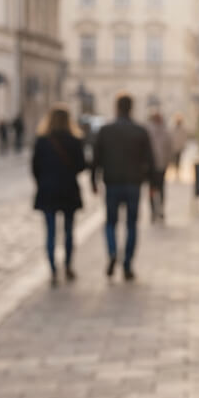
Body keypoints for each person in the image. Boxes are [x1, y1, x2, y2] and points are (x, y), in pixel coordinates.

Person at [91, 93, 153, 281]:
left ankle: (112, 252)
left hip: (112, 183)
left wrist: (93, 181)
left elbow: (96, 159)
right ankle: (127, 264)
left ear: (116, 107)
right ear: (131, 108)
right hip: (134, 184)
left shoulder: (106, 130)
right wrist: (152, 184)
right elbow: (149, 160)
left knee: (111, 223)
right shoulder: (140, 131)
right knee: (132, 225)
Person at [31, 104, 87, 286]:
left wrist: (43, 182)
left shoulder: (42, 141)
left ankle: (53, 269)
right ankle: (68, 265)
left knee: (51, 232)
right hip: (68, 190)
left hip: (48, 191)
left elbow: (35, 168)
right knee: (69, 231)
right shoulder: (74, 140)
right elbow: (81, 166)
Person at [145, 112, 173, 223]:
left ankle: (154, 210)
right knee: (160, 187)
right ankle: (159, 209)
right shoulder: (165, 131)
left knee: (153, 188)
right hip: (161, 164)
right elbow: (169, 148)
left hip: (152, 165)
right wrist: (168, 160)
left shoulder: (148, 131)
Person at [169, 114, 188, 178]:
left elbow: (184, 138)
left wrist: (183, 146)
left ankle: (177, 172)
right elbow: (171, 137)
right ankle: (176, 171)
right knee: (175, 160)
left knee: (178, 160)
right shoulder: (173, 128)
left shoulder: (183, 129)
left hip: (179, 147)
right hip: (174, 147)